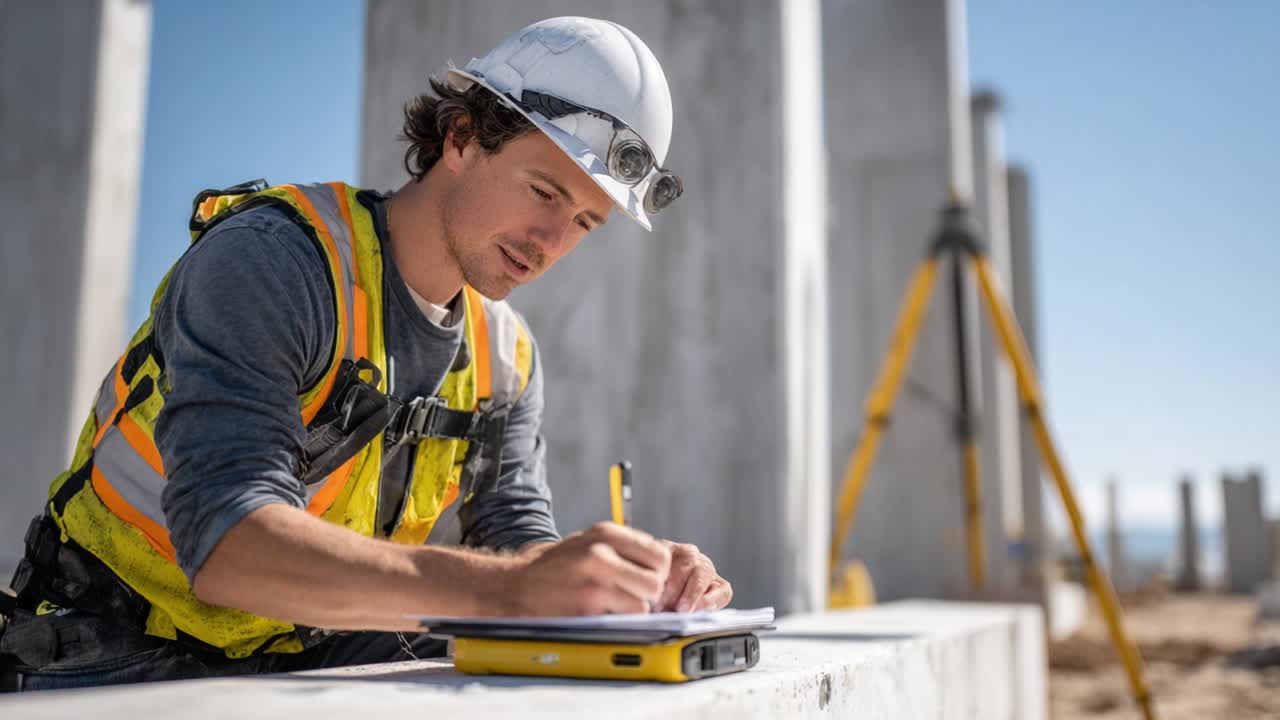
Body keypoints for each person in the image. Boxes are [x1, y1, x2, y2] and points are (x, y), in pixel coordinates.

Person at [0, 16, 729, 691]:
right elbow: (227, 543)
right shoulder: (276, 264)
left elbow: (516, 547)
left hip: (299, 657)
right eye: (543, 191)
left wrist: (616, 588)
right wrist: (512, 588)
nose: (551, 244)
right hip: (101, 649)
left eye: (583, 223)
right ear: (462, 138)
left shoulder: (503, 356)